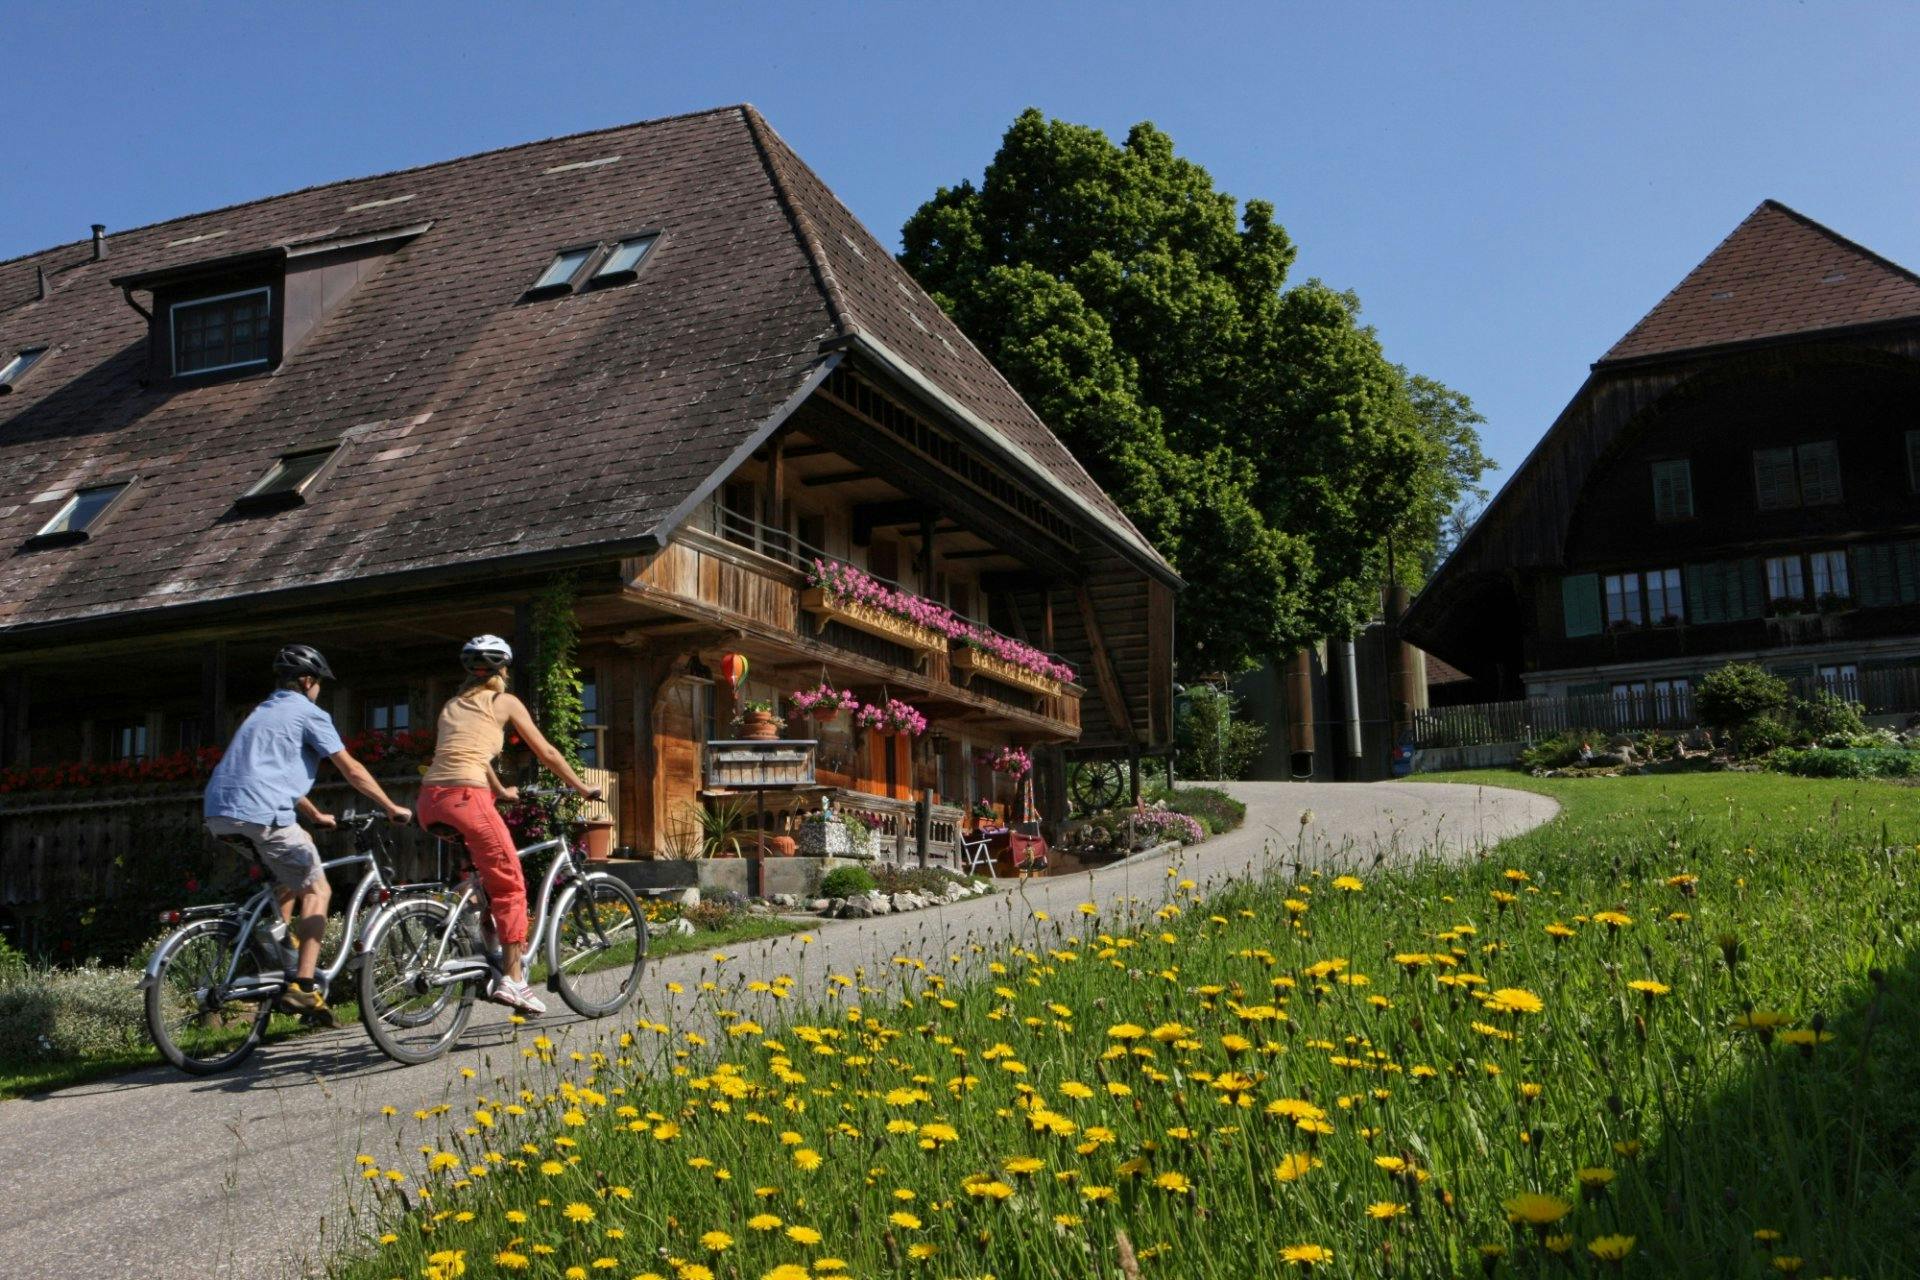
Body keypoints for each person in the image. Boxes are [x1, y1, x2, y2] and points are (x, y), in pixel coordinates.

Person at [203, 644, 413, 1016]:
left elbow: (268, 773)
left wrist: (314, 813)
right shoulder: (309, 713)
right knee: (318, 889)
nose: (319, 690)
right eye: (319, 684)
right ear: (307, 681)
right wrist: (391, 806)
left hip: (219, 812)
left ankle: (278, 935)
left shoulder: (260, 714)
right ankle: (303, 986)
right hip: (261, 811)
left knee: (296, 854)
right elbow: (352, 770)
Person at [415, 635, 600, 1016]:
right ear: (503, 670)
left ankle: (489, 948)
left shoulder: (452, 706)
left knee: (487, 877)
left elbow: (468, 752)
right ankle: (514, 980)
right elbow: (546, 752)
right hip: (467, 797)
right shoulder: (504, 702)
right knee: (512, 886)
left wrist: (499, 790)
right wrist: (581, 788)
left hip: (430, 800)